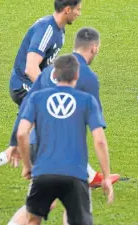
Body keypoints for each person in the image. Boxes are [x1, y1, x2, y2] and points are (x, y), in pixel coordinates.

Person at [0, 0, 82, 192]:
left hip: (31, 86)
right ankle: (47, 181)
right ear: (67, 9)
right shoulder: (47, 30)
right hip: (24, 86)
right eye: (77, 9)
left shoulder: (59, 30)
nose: (79, 13)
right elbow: (30, 67)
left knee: (34, 133)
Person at [7, 28, 120, 225]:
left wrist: (26, 165)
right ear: (76, 76)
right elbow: (99, 140)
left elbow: (23, 132)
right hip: (74, 172)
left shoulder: (37, 97)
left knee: (32, 217)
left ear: (54, 74)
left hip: (42, 168)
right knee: (76, 217)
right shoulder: (86, 100)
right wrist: (106, 177)